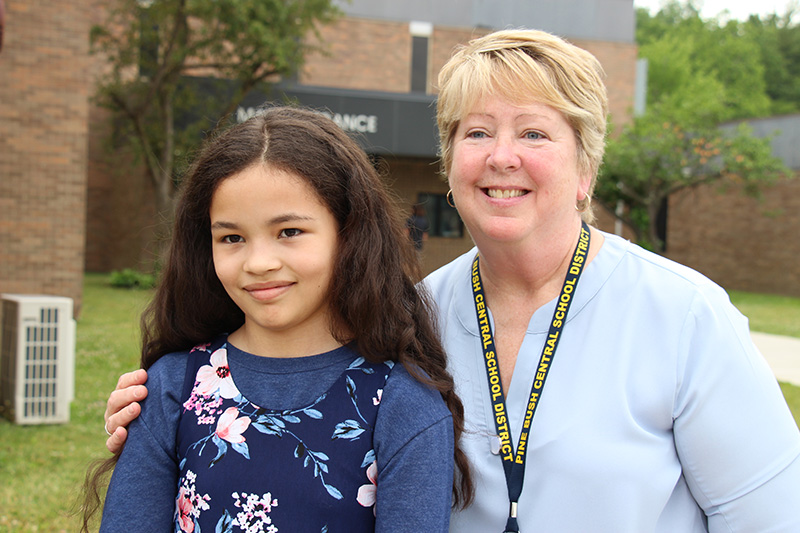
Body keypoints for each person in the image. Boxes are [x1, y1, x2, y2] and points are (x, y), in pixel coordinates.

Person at [102, 30, 800, 532]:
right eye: (475, 132)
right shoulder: (410, 314)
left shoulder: (684, 315)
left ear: (586, 168)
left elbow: (768, 515)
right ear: (449, 162)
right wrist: (166, 413)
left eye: (533, 133)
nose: (501, 156)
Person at [82, 106, 472, 533]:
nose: (259, 262)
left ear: (349, 235)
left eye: (289, 232)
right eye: (231, 237)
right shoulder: (171, 388)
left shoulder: (402, 405)